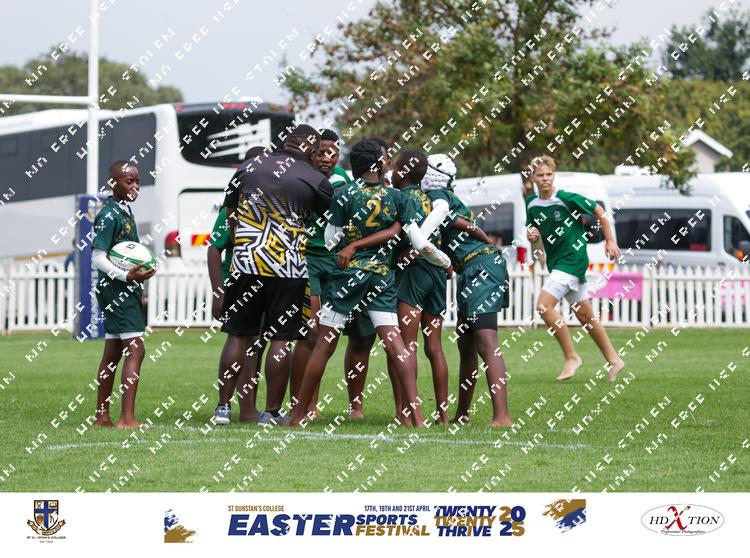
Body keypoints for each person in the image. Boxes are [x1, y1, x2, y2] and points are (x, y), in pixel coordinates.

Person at [290, 139, 450, 428]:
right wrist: (444, 261)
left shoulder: (343, 194)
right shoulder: (397, 197)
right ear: (379, 165)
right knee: (397, 346)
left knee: (324, 346)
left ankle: (298, 415)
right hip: (381, 276)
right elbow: (414, 237)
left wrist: (353, 244)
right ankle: (416, 417)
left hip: (348, 277)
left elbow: (331, 240)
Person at [218, 124, 332, 425]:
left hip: (245, 261)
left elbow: (231, 214)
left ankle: (222, 409)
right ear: (311, 150)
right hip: (287, 267)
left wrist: (245, 244)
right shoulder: (315, 179)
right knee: (281, 339)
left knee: (237, 335)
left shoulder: (248, 167)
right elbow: (324, 222)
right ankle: (271, 412)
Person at [422, 154, 513, 427]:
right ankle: (462, 414)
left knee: (486, 341)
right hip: (470, 270)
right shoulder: (443, 194)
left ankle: (502, 416)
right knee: (466, 344)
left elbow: (460, 223)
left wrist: (483, 238)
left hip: (480, 266)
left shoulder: (438, 195)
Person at [525, 155, 625, 382]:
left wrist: (610, 240)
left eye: (549, 174)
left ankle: (572, 357)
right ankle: (614, 360)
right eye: (540, 175)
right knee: (584, 314)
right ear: (532, 177)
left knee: (543, 306)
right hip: (557, 263)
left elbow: (598, 210)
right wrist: (533, 237)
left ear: (554, 175)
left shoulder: (566, 198)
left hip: (572, 260)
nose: (545, 178)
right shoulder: (531, 203)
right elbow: (533, 232)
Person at [91, 161, 156, 429]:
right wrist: (126, 277)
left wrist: (137, 283)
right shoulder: (109, 215)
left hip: (124, 289)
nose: (135, 186)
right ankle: (127, 419)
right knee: (136, 349)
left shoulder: (124, 211)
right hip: (116, 289)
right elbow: (98, 257)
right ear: (113, 183)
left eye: (138, 181)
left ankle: (102, 417)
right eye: (129, 181)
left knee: (113, 351)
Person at [210, 146, 269, 424]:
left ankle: (242, 407)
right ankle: (233, 407)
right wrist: (218, 292)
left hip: (262, 281)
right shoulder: (234, 208)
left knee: (255, 343)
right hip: (241, 280)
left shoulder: (265, 203)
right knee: (245, 341)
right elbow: (214, 249)